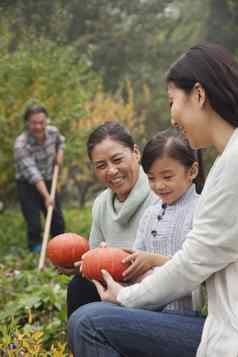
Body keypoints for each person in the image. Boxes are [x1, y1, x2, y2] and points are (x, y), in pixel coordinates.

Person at [68, 43, 238, 357]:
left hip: (225, 334)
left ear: (198, 95)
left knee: (88, 322)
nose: (172, 116)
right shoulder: (227, 162)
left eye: (172, 101)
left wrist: (126, 297)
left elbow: (190, 264)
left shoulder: (232, 166)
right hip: (216, 324)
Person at [66, 121, 157, 317]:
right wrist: (78, 266)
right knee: (79, 286)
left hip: (152, 290)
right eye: (101, 165)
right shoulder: (101, 204)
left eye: (117, 159)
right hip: (112, 288)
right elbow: (96, 258)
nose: (111, 171)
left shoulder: (160, 194)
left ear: (136, 152)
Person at [121, 128, 204, 316]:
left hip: (187, 315)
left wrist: (153, 261)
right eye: (151, 178)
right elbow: (135, 260)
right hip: (147, 309)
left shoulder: (201, 211)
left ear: (192, 171)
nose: (159, 185)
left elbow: (199, 270)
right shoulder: (149, 215)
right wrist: (112, 256)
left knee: (93, 318)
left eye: (167, 177)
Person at [14, 105, 65, 252]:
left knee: (57, 217)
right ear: (27, 123)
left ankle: (59, 247)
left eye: (42, 122)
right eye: (34, 123)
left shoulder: (53, 132)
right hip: (27, 184)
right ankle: (35, 249)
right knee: (34, 222)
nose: (38, 126)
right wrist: (46, 196)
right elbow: (33, 174)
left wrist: (59, 156)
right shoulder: (21, 145)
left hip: (49, 178)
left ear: (46, 121)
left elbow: (61, 141)